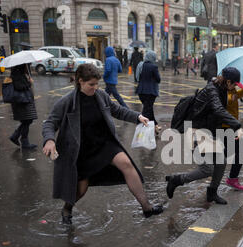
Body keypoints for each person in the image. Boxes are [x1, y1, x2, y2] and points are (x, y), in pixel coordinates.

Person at [42, 64, 163, 225]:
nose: (95, 88)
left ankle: (147, 207)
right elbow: (50, 123)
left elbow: (118, 110)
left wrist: (138, 117)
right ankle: (67, 209)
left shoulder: (101, 96)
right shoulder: (67, 102)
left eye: (97, 84)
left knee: (126, 163)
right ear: (80, 82)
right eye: (91, 85)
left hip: (104, 143)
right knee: (81, 189)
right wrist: (49, 140)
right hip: (82, 150)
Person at [165, 67, 243, 204]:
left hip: (208, 133)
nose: (235, 87)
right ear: (228, 81)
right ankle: (176, 180)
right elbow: (218, 110)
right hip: (196, 132)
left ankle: (212, 193)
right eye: (235, 84)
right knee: (207, 168)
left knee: (221, 162)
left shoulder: (222, 89)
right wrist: (237, 125)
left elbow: (219, 113)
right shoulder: (211, 90)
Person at [224, 83, 243, 190]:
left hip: (231, 126)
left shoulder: (231, 89)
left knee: (230, 152)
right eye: (234, 82)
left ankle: (232, 178)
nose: (236, 84)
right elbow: (230, 100)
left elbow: (234, 97)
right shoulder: (222, 90)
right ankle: (232, 179)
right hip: (225, 127)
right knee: (239, 152)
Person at [8, 63, 38, 149]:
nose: (27, 66)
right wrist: (29, 83)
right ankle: (23, 141)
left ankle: (16, 137)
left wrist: (27, 79)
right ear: (21, 66)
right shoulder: (17, 75)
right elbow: (19, 87)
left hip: (25, 101)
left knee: (27, 121)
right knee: (27, 121)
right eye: (25, 65)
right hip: (21, 102)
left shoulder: (21, 74)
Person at [136, 50, 161, 135]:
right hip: (150, 92)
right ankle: (141, 130)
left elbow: (137, 78)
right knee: (146, 111)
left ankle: (156, 126)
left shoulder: (141, 65)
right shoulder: (154, 67)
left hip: (141, 91)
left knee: (148, 109)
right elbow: (158, 79)